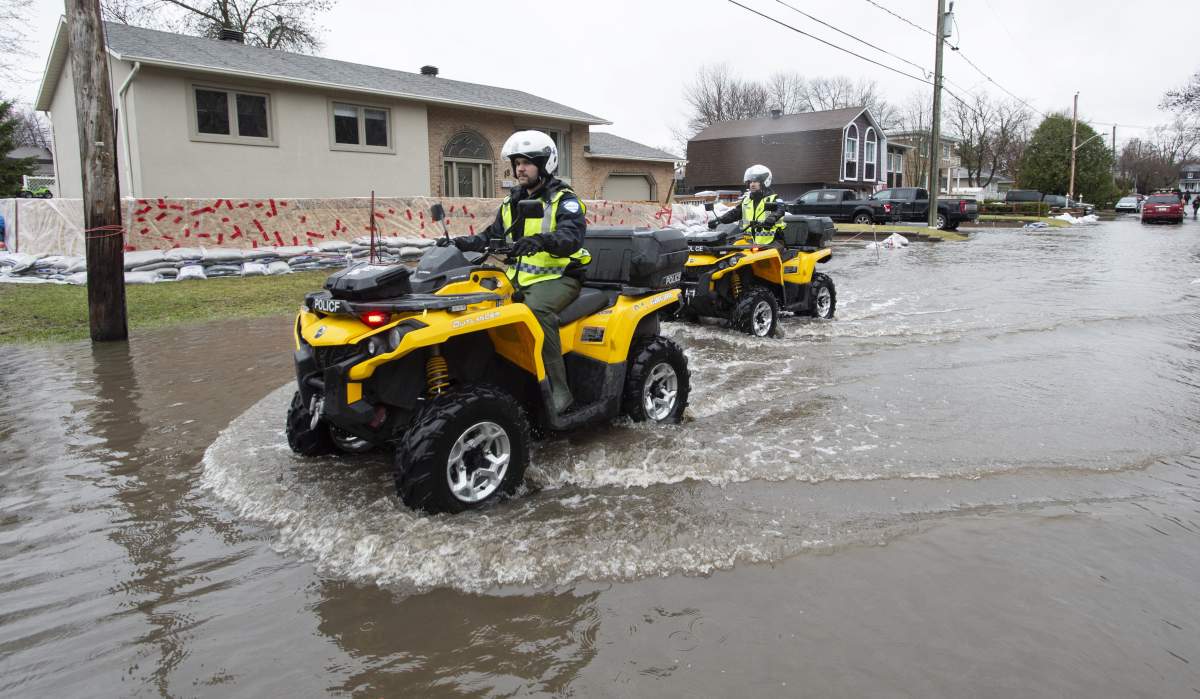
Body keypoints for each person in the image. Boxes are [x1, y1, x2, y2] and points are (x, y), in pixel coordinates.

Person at [440, 130, 589, 414]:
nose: (520, 168)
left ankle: (559, 392)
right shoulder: (511, 202)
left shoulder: (564, 199)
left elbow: (572, 237)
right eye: (517, 162)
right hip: (517, 278)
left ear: (545, 164)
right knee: (472, 306)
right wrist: (458, 243)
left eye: (527, 162)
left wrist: (541, 241)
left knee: (535, 312)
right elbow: (492, 237)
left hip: (560, 277)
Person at [707, 164, 786, 246]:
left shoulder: (774, 199)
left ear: (764, 182)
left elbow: (780, 210)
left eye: (755, 181)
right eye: (750, 182)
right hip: (749, 244)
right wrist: (719, 220)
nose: (752, 184)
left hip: (772, 242)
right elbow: (735, 213)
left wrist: (772, 218)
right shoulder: (746, 201)